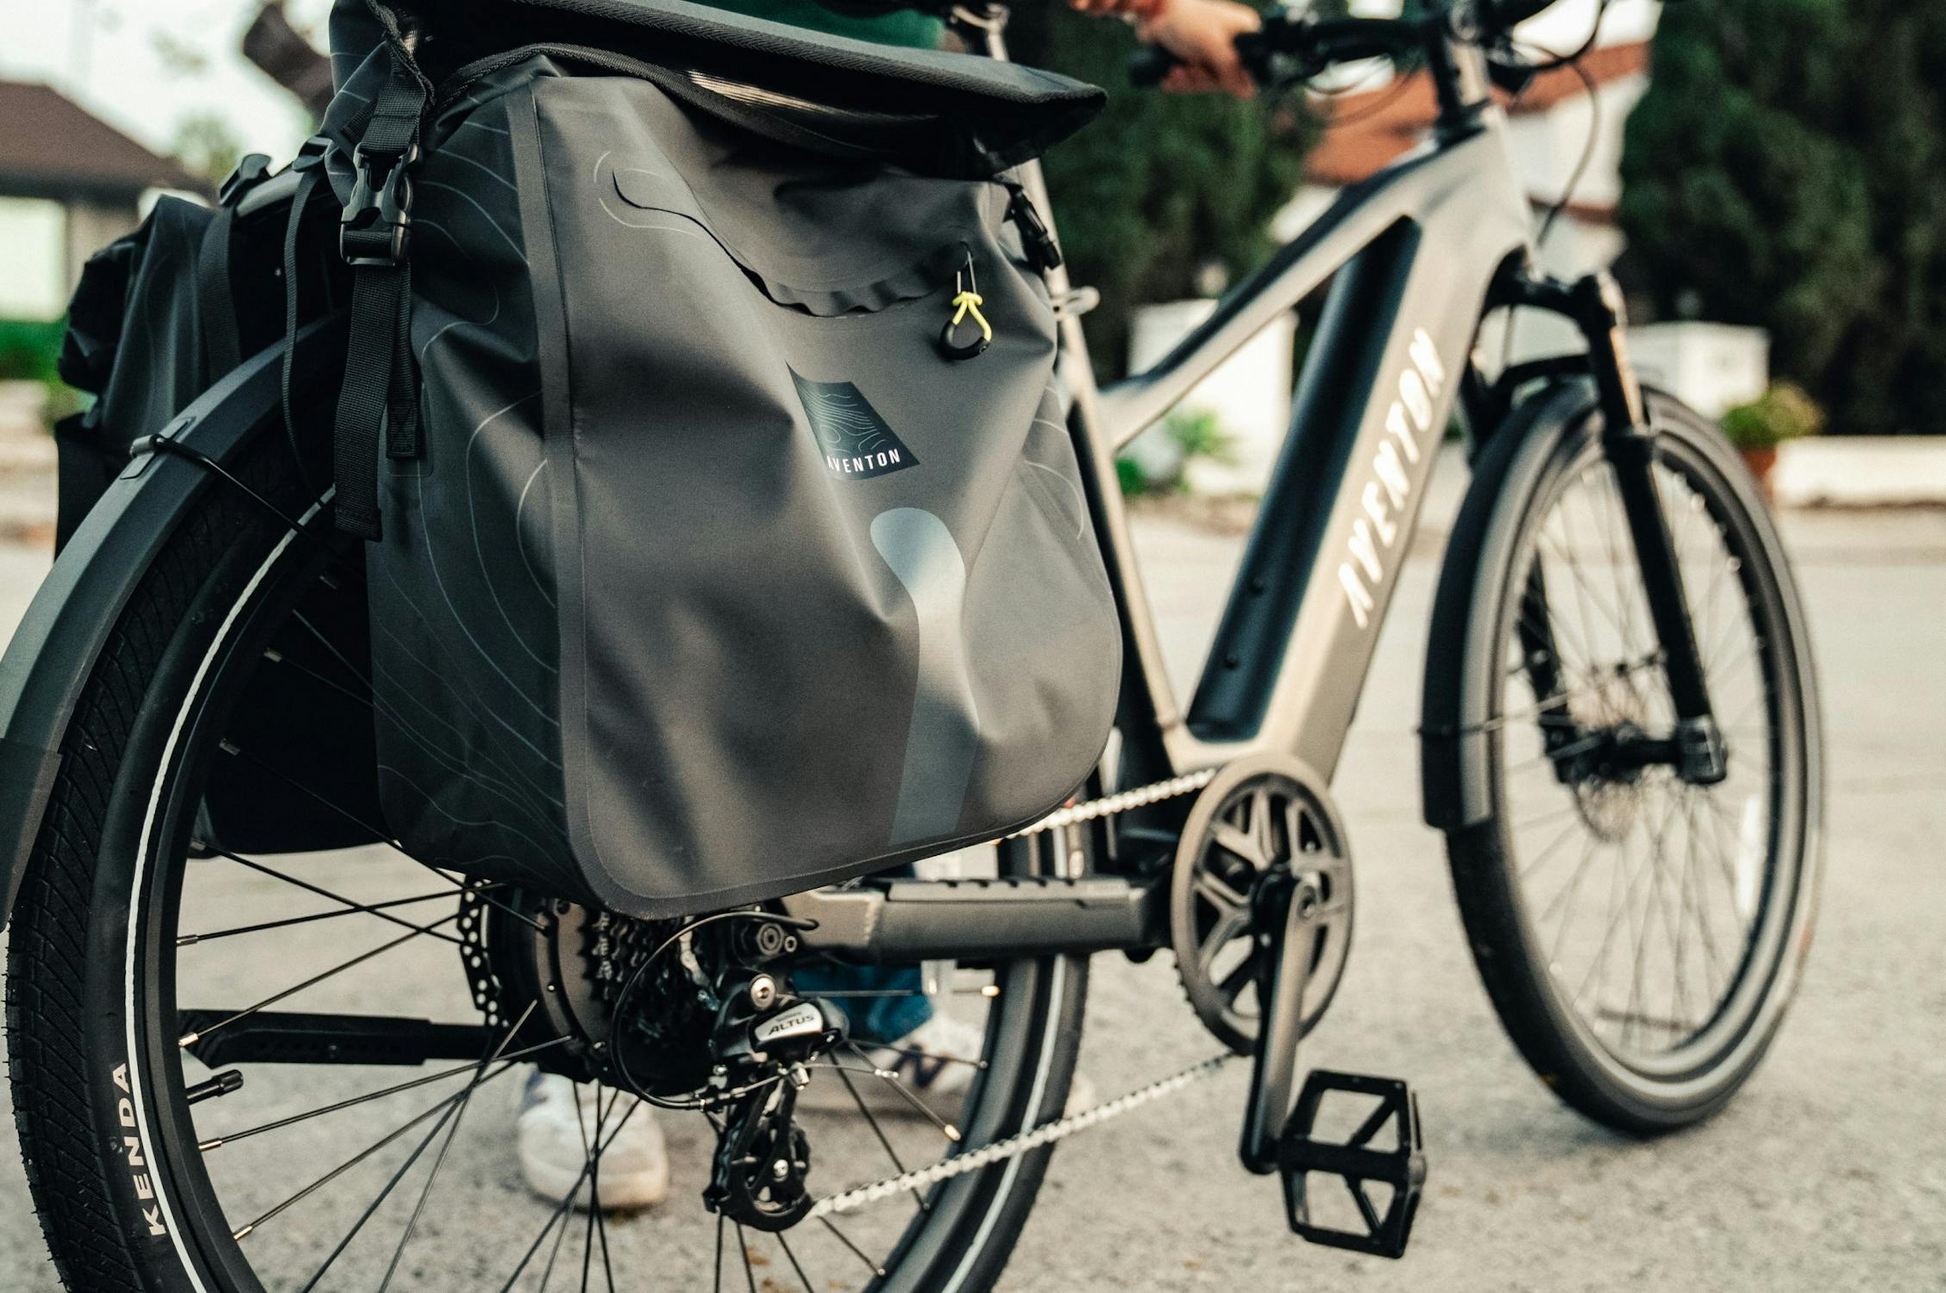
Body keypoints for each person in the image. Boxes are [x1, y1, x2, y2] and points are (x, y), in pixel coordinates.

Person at [517, 0, 1263, 1212]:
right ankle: (588, 1034)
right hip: (652, 59)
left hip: (864, 84)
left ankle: (867, 997)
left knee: (874, 557)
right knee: (650, 535)